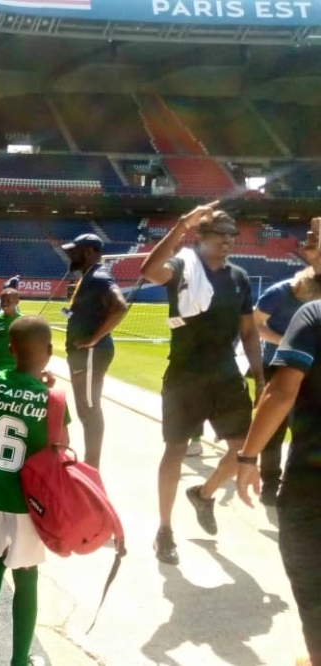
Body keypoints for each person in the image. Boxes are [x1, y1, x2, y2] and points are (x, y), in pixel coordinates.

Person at [140, 203, 264, 565]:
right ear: (201, 236)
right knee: (175, 449)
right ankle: (164, 529)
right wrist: (180, 224)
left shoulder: (239, 277)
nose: (227, 240)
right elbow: (149, 271)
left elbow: (249, 331)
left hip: (226, 374)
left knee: (242, 450)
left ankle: (204, 494)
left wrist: (259, 377)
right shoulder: (182, 267)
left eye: (231, 234)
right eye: (219, 233)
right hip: (184, 375)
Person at [0, 316, 68, 666]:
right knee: (26, 577)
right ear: (50, 353)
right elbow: (61, 448)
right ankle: (20, 660)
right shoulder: (52, 399)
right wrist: (46, 391)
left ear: (10, 349)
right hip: (29, 503)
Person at [236, 298, 321, 666]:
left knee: (313, 585)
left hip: (312, 485)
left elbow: (281, 392)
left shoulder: (314, 314)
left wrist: (247, 456)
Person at [252, 261, 321, 505]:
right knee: (273, 429)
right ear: (301, 286)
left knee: (302, 429)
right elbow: (255, 323)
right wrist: (286, 341)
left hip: (308, 372)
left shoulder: (314, 295)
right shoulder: (277, 293)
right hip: (277, 366)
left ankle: (297, 483)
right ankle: (270, 484)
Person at [60, 233, 128, 469]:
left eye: (74, 251)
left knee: (89, 409)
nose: (70, 255)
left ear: (88, 252)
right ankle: (91, 464)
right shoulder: (89, 277)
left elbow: (120, 307)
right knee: (84, 408)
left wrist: (92, 340)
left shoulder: (98, 277)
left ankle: (92, 467)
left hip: (90, 353)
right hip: (83, 354)